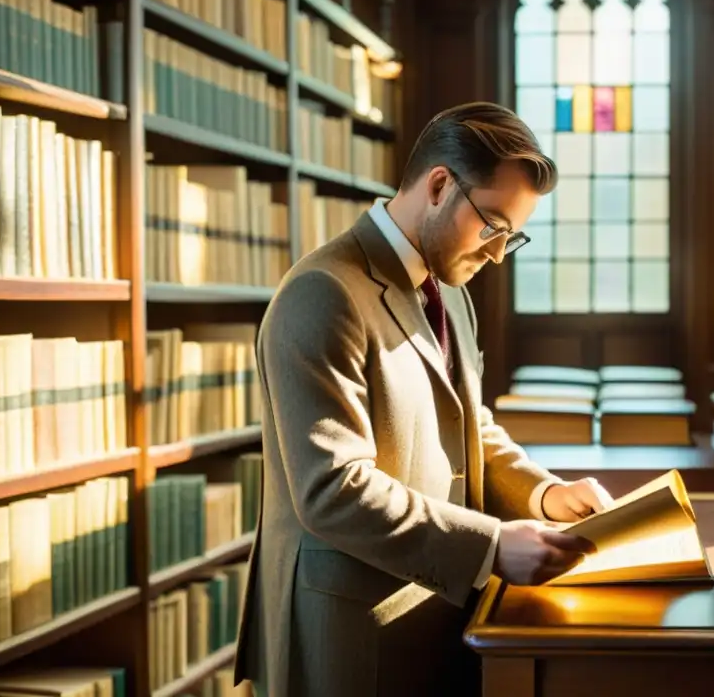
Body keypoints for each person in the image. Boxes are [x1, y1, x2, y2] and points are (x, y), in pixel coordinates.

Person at [232, 101, 614, 697]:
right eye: (492, 227)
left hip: (441, 612)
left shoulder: (450, 290)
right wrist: (489, 546)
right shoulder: (322, 292)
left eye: (511, 238)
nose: (495, 253)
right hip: (352, 631)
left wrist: (545, 494)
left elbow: (468, 426)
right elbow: (331, 489)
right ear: (439, 186)